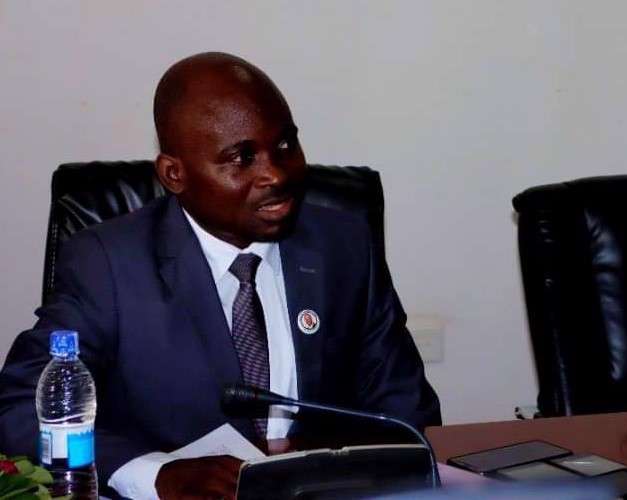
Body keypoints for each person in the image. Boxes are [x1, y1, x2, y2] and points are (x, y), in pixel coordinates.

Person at [0, 52, 440, 499]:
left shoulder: (342, 245)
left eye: (285, 146)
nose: (275, 174)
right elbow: (21, 409)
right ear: (174, 174)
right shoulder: (108, 264)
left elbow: (405, 408)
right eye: (242, 158)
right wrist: (158, 476)